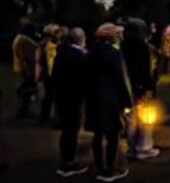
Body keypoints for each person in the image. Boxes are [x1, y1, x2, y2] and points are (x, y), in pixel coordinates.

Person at [85, 23, 133, 182]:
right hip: (111, 100)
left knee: (97, 134)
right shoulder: (114, 54)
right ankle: (110, 169)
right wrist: (127, 101)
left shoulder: (89, 54)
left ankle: (100, 166)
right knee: (113, 135)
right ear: (111, 37)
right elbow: (121, 79)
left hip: (94, 99)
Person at [52, 28, 89, 177]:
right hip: (73, 98)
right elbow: (83, 78)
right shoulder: (78, 56)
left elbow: (55, 75)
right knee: (71, 130)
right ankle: (68, 163)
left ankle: (66, 159)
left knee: (67, 130)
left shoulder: (61, 53)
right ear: (81, 39)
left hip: (62, 97)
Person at [120, 18, 159, 160]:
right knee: (146, 118)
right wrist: (148, 88)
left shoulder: (122, 46)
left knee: (130, 120)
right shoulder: (142, 47)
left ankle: (132, 148)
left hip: (127, 89)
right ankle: (144, 148)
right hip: (142, 88)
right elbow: (145, 70)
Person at [37, 24, 63, 124]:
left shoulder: (44, 42)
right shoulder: (49, 44)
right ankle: (49, 118)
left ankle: (44, 117)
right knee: (51, 96)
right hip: (50, 73)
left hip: (46, 72)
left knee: (48, 96)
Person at [12, 21, 39, 119]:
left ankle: (23, 109)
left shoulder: (20, 39)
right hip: (28, 69)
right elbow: (28, 58)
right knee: (28, 89)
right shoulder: (25, 41)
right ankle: (24, 110)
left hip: (24, 68)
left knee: (27, 88)